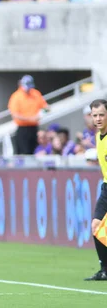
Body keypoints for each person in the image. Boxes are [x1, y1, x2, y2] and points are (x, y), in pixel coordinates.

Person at [85, 99, 107, 281]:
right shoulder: (98, 136)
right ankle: (104, 270)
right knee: (96, 226)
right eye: (95, 115)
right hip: (106, 187)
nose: (98, 118)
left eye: (102, 114)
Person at [8, 75, 49, 155]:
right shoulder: (16, 96)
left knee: (34, 151)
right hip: (23, 129)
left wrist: (40, 114)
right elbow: (15, 115)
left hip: (34, 128)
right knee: (24, 152)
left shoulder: (36, 94)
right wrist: (31, 119)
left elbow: (46, 107)